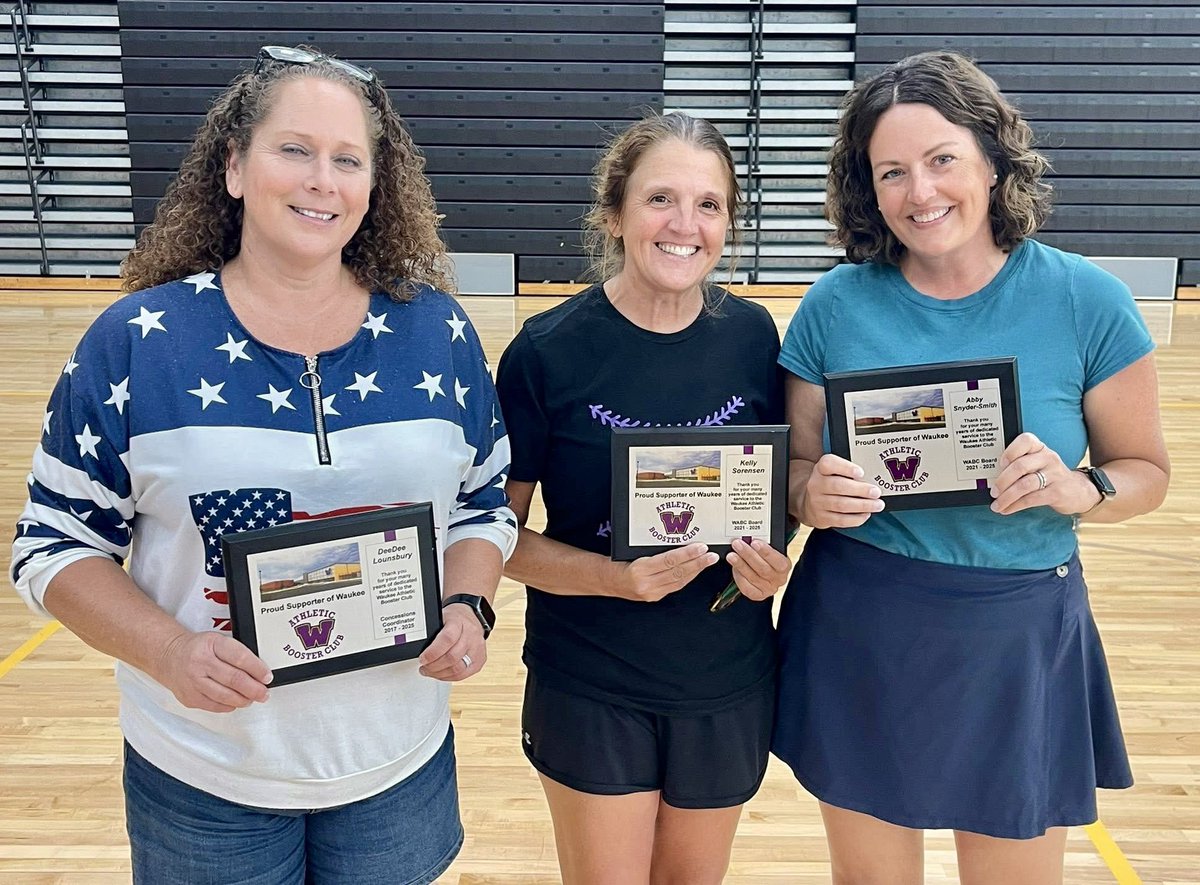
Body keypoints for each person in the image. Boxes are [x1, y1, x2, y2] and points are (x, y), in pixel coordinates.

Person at [10, 45, 516, 884]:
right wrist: (170, 650)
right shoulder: (138, 341)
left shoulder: (438, 332)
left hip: (395, 765)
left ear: (373, 186)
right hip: (205, 773)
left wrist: (469, 603)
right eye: (295, 149)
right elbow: (53, 545)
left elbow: (482, 504)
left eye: (348, 159)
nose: (322, 179)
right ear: (236, 166)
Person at [772, 51, 1170, 884]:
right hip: (863, 622)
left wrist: (1082, 486)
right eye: (892, 172)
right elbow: (797, 468)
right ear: (867, 189)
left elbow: (1145, 471)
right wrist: (812, 490)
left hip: (1015, 631)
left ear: (992, 159)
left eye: (942, 159)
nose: (921, 192)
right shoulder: (834, 304)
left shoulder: (1087, 299)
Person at [494, 112, 793, 884]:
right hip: (593, 678)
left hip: (726, 677)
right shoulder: (546, 352)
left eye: (709, 204)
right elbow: (493, 534)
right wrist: (614, 577)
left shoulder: (757, 339)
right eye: (661, 198)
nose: (684, 225)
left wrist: (771, 561)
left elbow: (772, 495)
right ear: (616, 212)